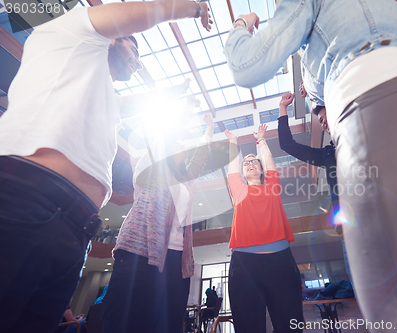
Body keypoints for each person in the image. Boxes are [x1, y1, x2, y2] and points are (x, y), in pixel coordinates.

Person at [223, 0, 397, 329]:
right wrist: (315, 99)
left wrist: (242, 22)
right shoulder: (387, 8)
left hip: (377, 111)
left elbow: (247, 66)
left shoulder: (281, 178)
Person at [0, 1, 211, 332]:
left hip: (76, 228)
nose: (139, 63)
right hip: (27, 199)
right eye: (136, 50)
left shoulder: (103, 94)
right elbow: (135, 14)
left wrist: (174, 96)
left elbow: (126, 105)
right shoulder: (70, 33)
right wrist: (193, 8)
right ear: (117, 37)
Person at [102, 113, 215, 333]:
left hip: (175, 259)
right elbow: (164, 142)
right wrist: (183, 115)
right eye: (176, 145)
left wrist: (209, 129)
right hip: (139, 251)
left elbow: (200, 156)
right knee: (124, 320)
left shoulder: (185, 180)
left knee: (166, 323)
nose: (180, 147)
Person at [224, 124, 304, 333]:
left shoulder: (272, 188)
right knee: (249, 327)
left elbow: (270, 164)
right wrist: (233, 143)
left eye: (254, 162)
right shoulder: (239, 191)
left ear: (260, 170)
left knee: (290, 325)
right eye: (246, 163)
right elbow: (232, 170)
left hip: (281, 263)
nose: (250, 164)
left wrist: (262, 140)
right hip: (245, 266)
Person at [277, 91, 355, 293]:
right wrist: (283, 108)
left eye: (324, 118)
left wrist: (316, 91)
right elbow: (287, 145)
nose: (323, 124)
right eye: (319, 120)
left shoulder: (358, 135)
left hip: (379, 215)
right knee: (361, 286)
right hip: (351, 228)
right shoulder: (327, 154)